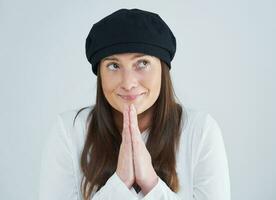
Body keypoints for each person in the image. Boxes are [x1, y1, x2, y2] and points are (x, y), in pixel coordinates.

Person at [39, 8, 231, 200]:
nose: (128, 82)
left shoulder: (200, 131)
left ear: (163, 69)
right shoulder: (69, 131)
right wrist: (120, 182)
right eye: (113, 65)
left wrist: (151, 183)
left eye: (142, 63)